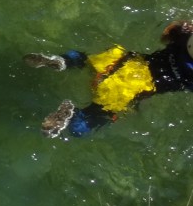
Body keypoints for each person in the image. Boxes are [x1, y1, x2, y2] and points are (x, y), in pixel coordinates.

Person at [25, 20, 193, 138]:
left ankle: (63, 61)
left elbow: (168, 33)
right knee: (82, 127)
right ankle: (70, 114)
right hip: (131, 87)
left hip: (125, 61)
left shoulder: (185, 35)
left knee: (84, 59)